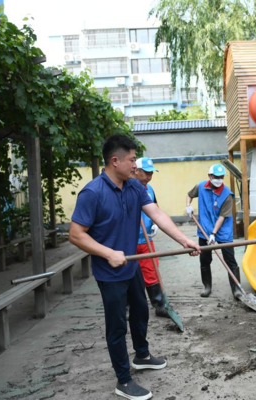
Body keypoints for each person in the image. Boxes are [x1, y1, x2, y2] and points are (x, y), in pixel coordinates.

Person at [69, 134, 200, 400]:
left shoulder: (134, 187)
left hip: (132, 267)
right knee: (116, 326)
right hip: (110, 272)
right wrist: (108, 253)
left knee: (141, 311)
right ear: (115, 161)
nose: (135, 165)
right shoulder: (93, 193)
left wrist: (184, 239)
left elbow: (158, 214)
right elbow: (76, 234)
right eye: (131, 160)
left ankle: (142, 355)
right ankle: (124, 380)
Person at [186, 164, 241, 299]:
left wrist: (214, 234)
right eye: (216, 177)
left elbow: (222, 217)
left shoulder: (227, 195)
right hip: (204, 229)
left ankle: (237, 289)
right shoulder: (201, 186)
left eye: (221, 177)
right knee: (204, 259)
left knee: (230, 260)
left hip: (223, 232)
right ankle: (207, 287)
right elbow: (189, 195)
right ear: (209, 176)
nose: (219, 179)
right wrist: (188, 206)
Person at [133, 157, 168, 318]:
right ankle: (127, 306)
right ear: (136, 171)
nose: (149, 176)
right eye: (146, 173)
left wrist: (155, 222)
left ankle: (160, 304)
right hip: (128, 240)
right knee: (128, 273)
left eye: (151, 173)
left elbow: (155, 207)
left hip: (146, 239)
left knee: (151, 270)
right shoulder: (127, 188)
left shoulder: (149, 189)